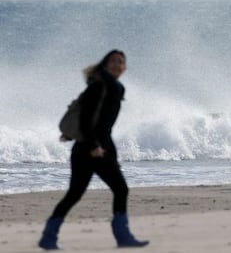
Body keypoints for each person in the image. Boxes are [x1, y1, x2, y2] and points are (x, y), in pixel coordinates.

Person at [38, 50, 149, 249]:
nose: (117, 64)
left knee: (75, 194)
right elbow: (86, 117)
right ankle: (122, 237)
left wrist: (78, 137)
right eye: (113, 61)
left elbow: (94, 117)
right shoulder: (99, 86)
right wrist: (93, 145)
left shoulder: (115, 87)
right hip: (94, 149)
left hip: (92, 147)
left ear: (124, 68)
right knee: (120, 189)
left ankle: (48, 237)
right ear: (105, 64)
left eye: (121, 62)